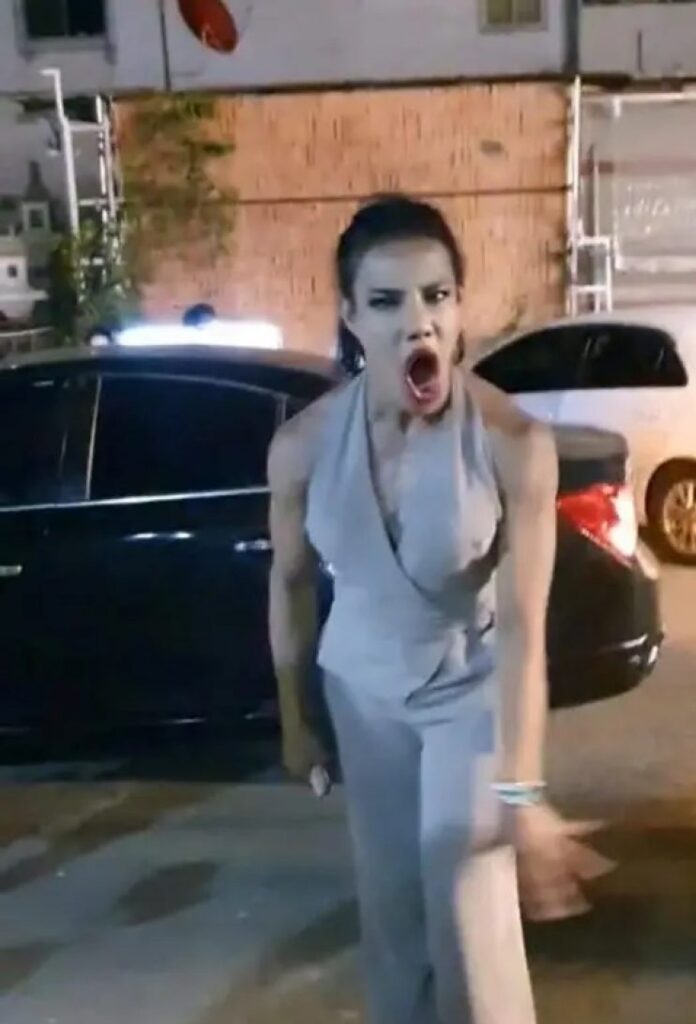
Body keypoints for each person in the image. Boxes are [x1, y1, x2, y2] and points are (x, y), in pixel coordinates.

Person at [267, 195, 610, 1024]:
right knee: (392, 912)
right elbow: (290, 582)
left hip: (468, 687)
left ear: (458, 311)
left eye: (436, 296)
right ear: (351, 317)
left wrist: (521, 792)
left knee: (463, 897)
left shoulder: (513, 444)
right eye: (386, 302)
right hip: (361, 689)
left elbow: (523, 626)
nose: (416, 321)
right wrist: (294, 720)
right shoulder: (302, 447)